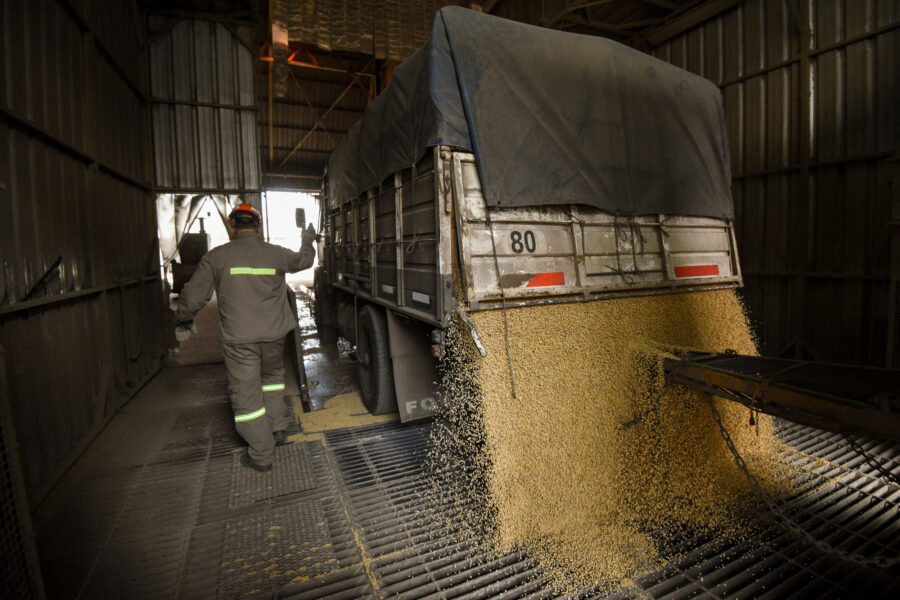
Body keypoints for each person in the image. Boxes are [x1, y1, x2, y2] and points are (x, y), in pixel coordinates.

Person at [174, 202, 316, 472]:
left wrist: (182, 318)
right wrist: (307, 239)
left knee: (247, 395)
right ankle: (277, 428)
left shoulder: (217, 257)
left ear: (232, 226)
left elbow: (192, 297)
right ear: (258, 226)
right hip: (274, 336)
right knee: (272, 380)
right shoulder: (275, 254)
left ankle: (261, 455)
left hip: (240, 340)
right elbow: (304, 261)